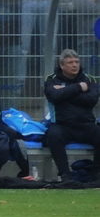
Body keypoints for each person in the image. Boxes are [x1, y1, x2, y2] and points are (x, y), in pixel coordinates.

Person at [41, 49, 100, 182]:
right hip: (62, 125)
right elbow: (54, 96)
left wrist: (64, 92)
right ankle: (65, 175)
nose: (74, 65)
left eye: (77, 62)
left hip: (86, 125)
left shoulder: (89, 79)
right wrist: (78, 88)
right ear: (62, 65)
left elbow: (91, 100)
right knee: (53, 136)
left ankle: (95, 174)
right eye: (70, 62)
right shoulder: (51, 79)